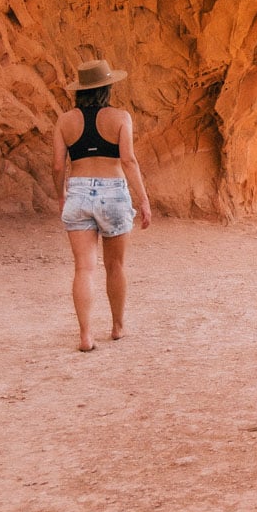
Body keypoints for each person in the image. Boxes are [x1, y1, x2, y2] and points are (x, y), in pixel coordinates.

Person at [53, 58, 152, 351]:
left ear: (80, 90)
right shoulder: (121, 117)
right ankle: (117, 327)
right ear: (107, 87)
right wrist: (144, 200)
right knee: (115, 265)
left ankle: (85, 336)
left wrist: (61, 194)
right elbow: (129, 160)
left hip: (79, 191)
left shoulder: (64, 121)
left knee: (84, 268)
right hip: (114, 191)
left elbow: (58, 166)